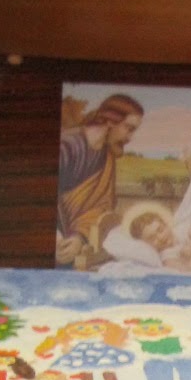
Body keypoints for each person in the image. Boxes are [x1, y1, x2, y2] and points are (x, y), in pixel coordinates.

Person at [57, 92, 145, 266]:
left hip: (76, 248)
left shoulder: (107, 158)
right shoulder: (67, 146)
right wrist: (57, 241)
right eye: (129, 129)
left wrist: (79, 238)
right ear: (110, 122)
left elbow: (100, 208)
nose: (130, 138)